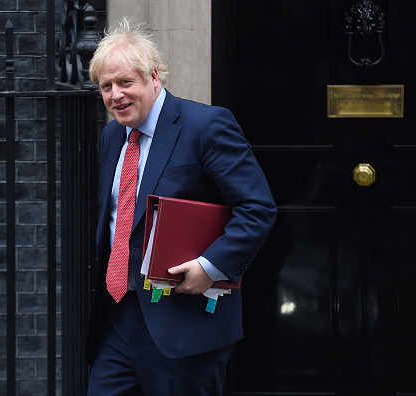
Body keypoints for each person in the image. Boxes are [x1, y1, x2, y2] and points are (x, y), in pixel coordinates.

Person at [86, 17, 276, 395]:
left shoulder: (206, 126)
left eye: (126, 82)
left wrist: (211, 266)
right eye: (106, 87)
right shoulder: (112, 136)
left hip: (183, 325)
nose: (116, 95)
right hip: (118, 316)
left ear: (154, 77)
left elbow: (257, 207)